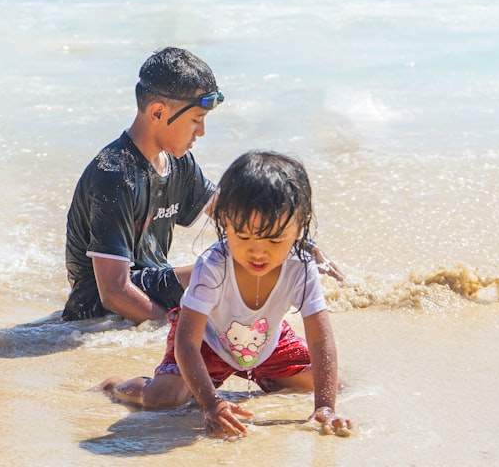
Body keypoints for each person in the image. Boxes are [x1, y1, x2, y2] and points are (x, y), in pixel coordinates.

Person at [61, 48, 344, 325]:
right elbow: (113, 293)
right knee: (226, 265)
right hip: (98, 311)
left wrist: (301, 244)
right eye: (196, 120)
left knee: (254, 254)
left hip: (154, 288)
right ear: (158, 112)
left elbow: (233, 214)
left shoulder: (178, 163)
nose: (202, 132)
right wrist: (171, 329)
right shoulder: (114, 175)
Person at [98, 151, 353, 439]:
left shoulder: (301, 268)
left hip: (264, 338)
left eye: (274, 239)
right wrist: (210, 404)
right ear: (225, 222)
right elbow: (187, 342)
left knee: (333, 384)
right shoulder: (214, 265)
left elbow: (321, 341)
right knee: (163, 399)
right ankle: (116, 385)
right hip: (207, 340)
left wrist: (325, 407)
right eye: (244, 237)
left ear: (300, 227)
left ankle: (268, 377)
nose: (258, 251)